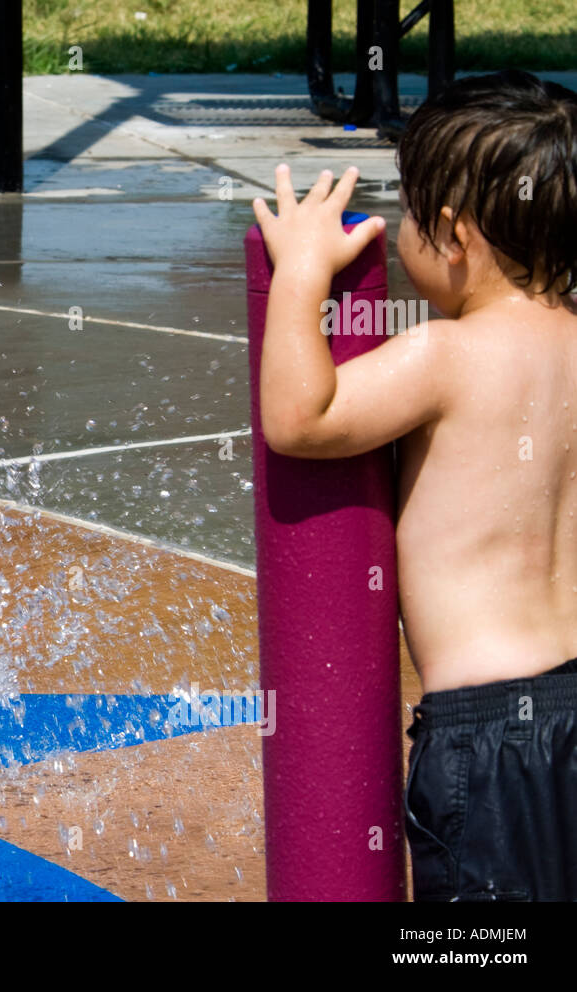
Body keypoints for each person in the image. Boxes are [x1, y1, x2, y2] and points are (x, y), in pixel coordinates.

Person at [253, 70, 577, 900]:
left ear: (450, 235)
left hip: (490, 736)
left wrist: (298, 271)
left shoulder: (445, 357)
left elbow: (302, 417)